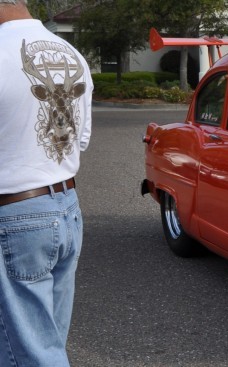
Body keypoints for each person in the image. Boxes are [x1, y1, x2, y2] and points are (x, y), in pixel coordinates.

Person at [0, 1, 93, 365]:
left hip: (15, 214)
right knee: (46, 340)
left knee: (31, 353)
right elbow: (80, 139)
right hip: (65, 207)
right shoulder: (72, 54)